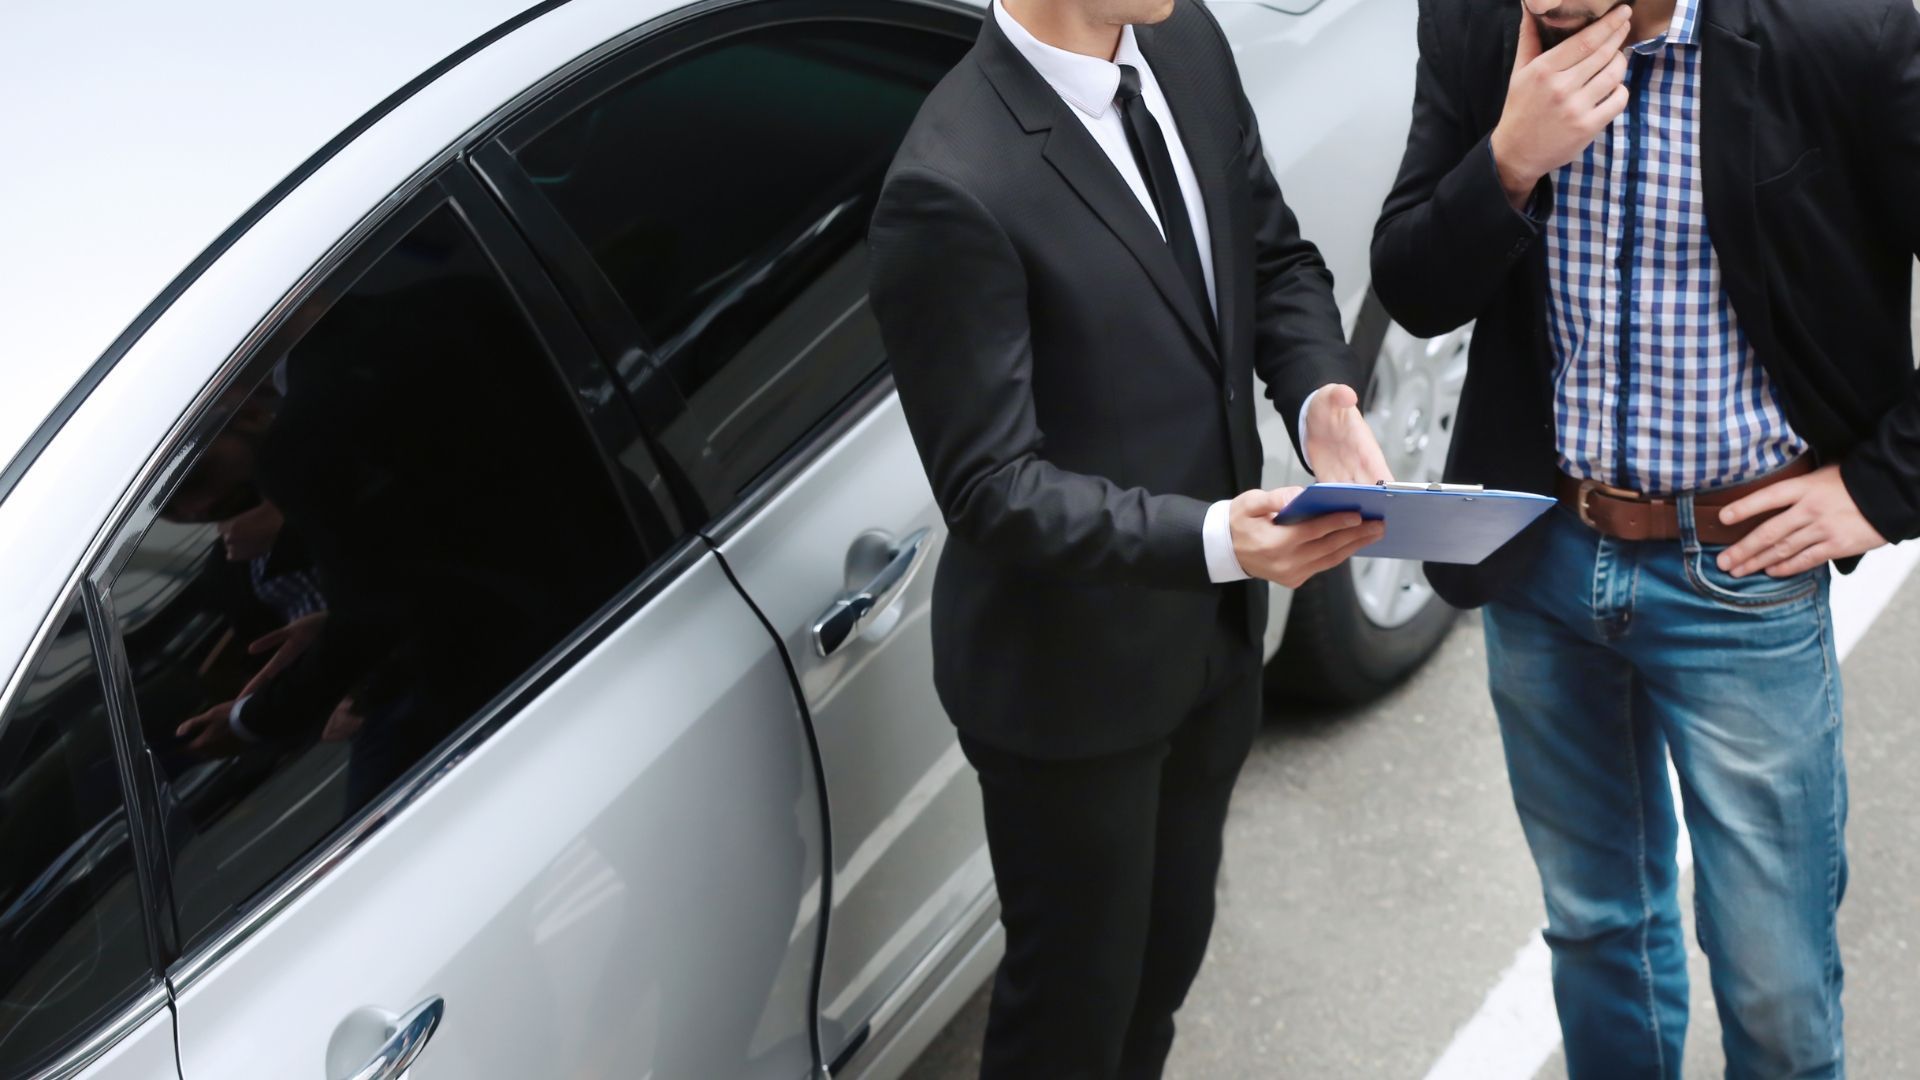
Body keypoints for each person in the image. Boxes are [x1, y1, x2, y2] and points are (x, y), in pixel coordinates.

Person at [1371, 0, 1920, 1074]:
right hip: (1543, 554)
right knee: (1595, 926)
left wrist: (1881, 487)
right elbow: (1413, 286)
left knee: (1774, 986)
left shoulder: (1842, 33)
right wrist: (1507, 163)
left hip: (1741, 576)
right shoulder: (1485, 26)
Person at [867, 0, 1393, 1073]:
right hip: (1071, 694)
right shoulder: (949, 183)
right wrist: (1215, 538)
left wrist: (1319, 395)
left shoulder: (1185, 42)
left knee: (1163, 970)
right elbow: (993, 486)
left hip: (1211, 643)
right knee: (1069, 1019)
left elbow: (1275, 257)